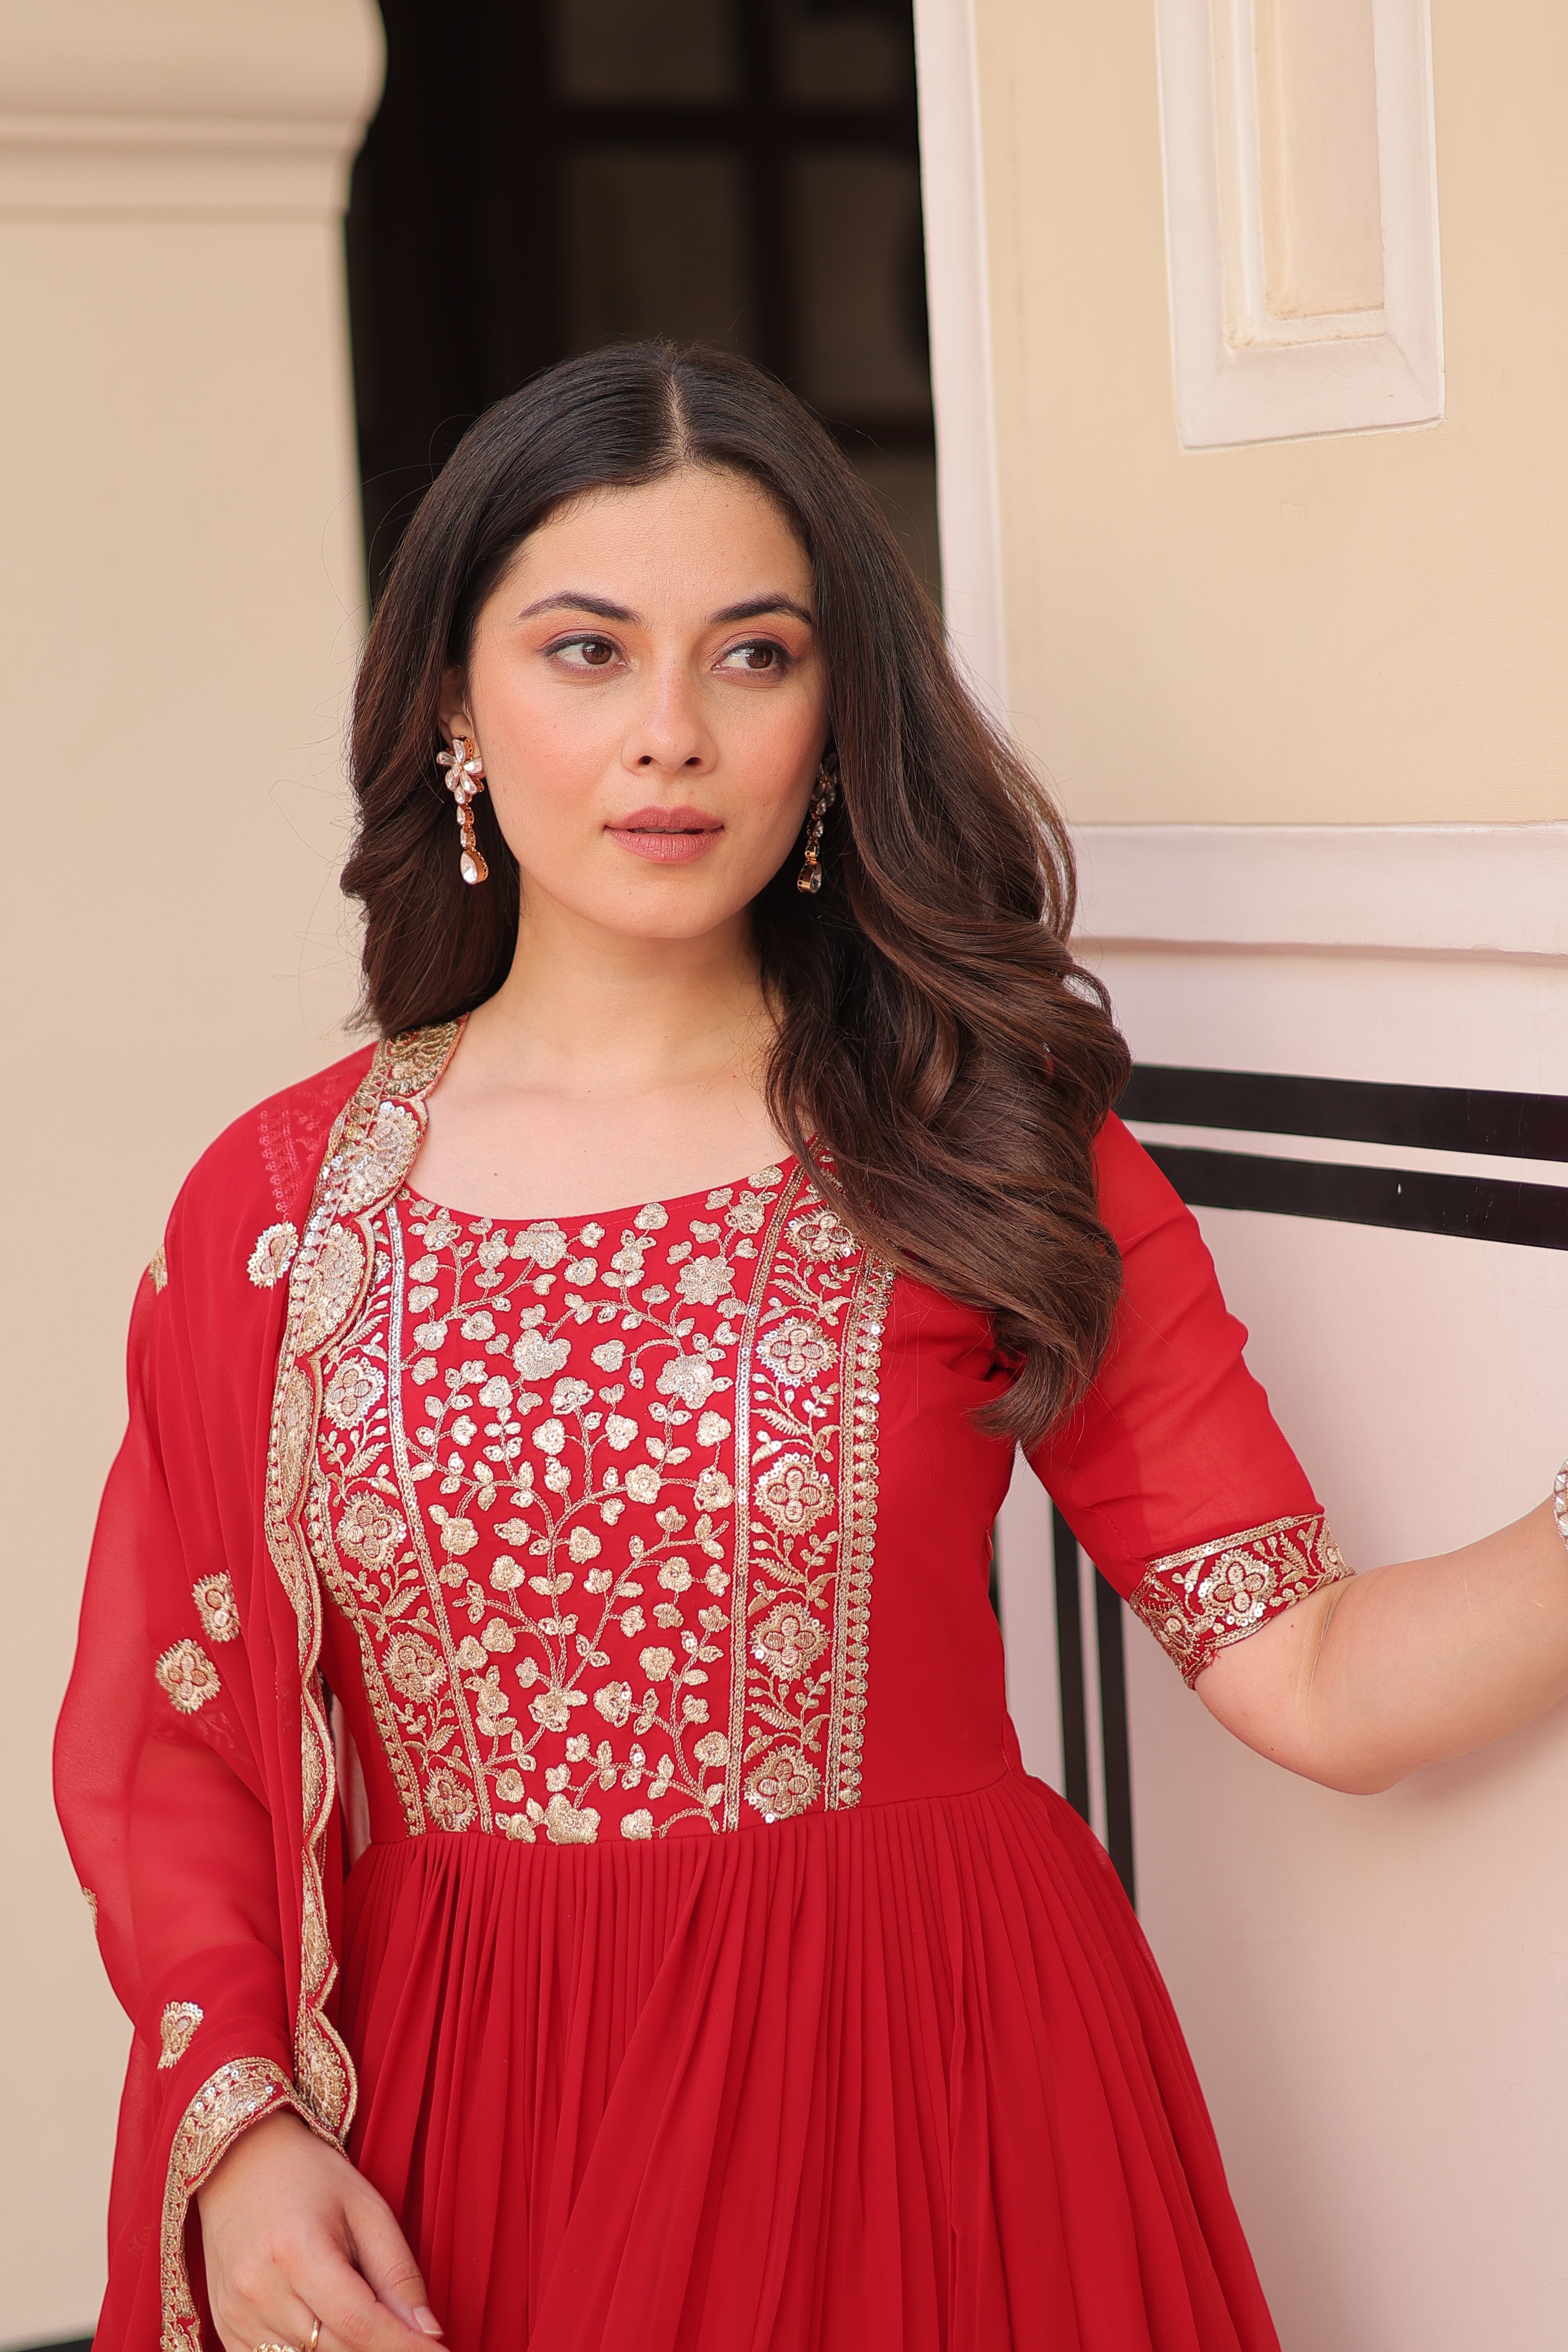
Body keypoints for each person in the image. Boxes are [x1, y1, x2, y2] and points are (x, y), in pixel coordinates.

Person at [55, 341, 1568, 2352]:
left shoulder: (985, 1144)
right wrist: (240, 2134)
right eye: (586, 652)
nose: (669, 734)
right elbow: (175, 1749)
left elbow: (1307, 1671)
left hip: (930, 2106)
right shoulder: (273, 1215)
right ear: (453, 704)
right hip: (463, 2138)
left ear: (836, 712)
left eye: (752, 657)